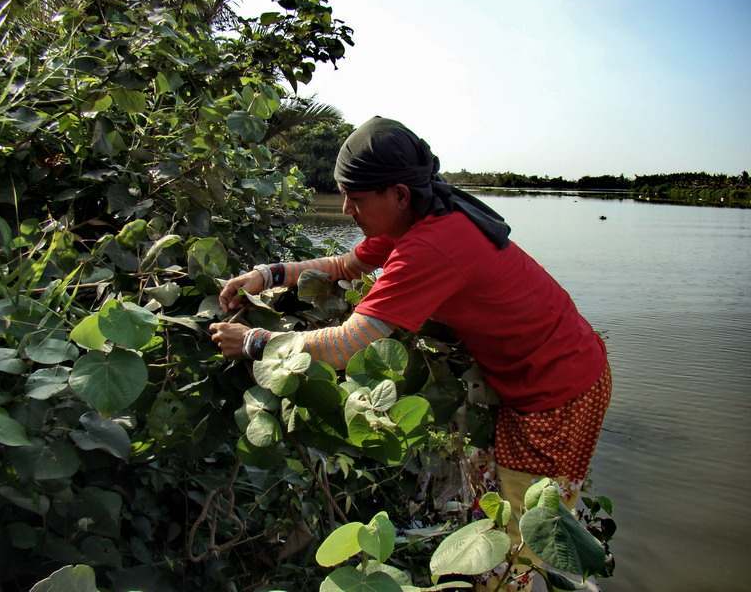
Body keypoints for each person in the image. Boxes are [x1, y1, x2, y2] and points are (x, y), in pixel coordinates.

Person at [210, 117, 611, 590]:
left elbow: (347, 344)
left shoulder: (432, 245)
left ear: (398, 193)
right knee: (487, 507)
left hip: (559, 392)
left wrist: (255, 343)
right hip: (534, 375)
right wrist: (270, 274)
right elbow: (343, 265)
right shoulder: (422, 214)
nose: (345, 210)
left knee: (523, 539)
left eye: (356, 199)